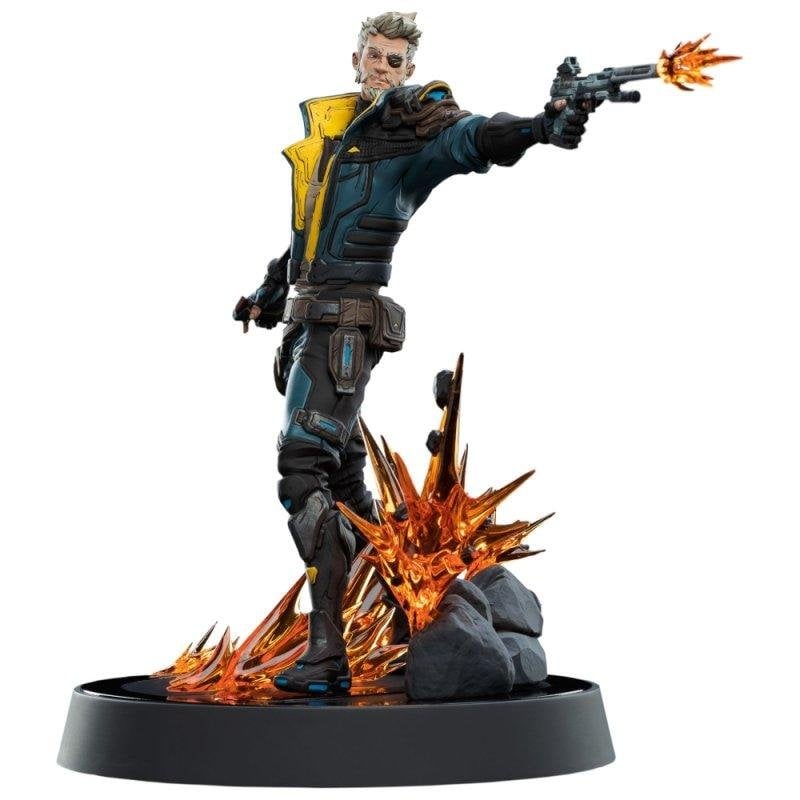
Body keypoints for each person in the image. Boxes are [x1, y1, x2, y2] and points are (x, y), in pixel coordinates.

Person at [233, 11, 592, 694]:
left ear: (409, 69)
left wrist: (542, 126)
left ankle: (326, 655)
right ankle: (409, 607)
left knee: (302, 470)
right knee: (343, 486)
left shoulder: (412, 127)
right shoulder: (343, 135)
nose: (381, 68)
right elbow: (313, 229)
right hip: (310, 322)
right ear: (356, 58)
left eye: (394, 61)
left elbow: (473, 137)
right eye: (373, 55)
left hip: (344, 329)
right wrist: (270, 289)